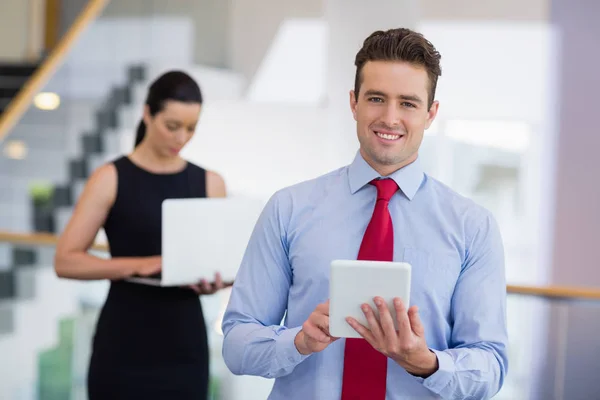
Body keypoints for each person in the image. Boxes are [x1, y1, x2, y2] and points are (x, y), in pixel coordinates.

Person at [221, 28, 508, 400]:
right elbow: (236, 343)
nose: (390, 118)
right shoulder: (288, 208)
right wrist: (298, 341)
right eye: (376, 98)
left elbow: (491, 366)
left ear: (431, 113)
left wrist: (426, 362)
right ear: (354, 103)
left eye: (408, 103)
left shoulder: (473, 227)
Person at [54, 70, 229, 400]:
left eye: (191, 128)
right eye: (172, 126)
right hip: (123, 341)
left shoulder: (210, 183)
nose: (182, 138)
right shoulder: (110, 178)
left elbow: (213, 261)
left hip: (184, 344)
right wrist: (141, 265)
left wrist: (214, 282)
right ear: (147, 114)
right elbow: (65, 261)